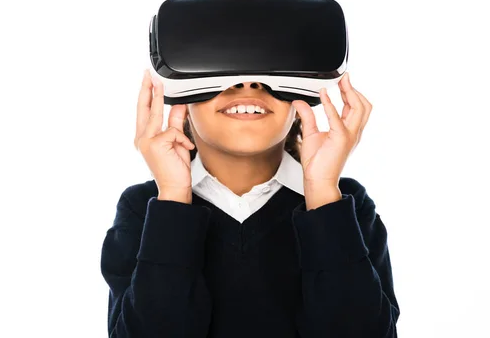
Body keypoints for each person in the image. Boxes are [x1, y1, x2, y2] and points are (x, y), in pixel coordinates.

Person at [100, 69, 400, 337]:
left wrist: (322, 193)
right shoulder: (144, 207)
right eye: (220, 65)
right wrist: (174, 197)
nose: (247, 82)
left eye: (269, 68)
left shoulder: (344, 205)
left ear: (299, 103)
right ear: (184, 100)